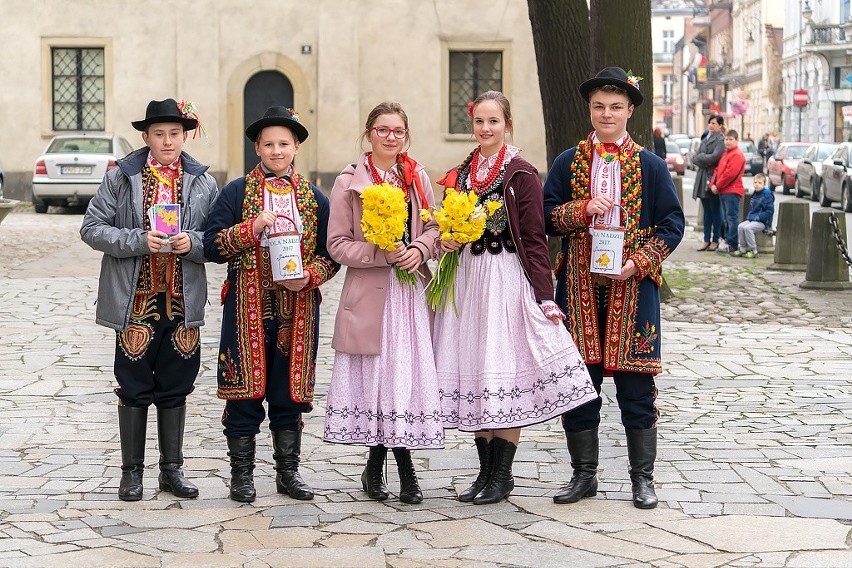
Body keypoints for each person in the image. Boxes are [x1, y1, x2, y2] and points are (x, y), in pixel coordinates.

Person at [434, 91, 597, 505]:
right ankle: (485, 473)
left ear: (507, 123)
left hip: (504, 277)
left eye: (493, 121)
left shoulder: (520, 173)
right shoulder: (465, 171)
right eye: (479, 122)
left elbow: (535, 240)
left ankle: (502, 476)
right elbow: (447, 219)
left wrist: (545, 296)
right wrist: (449, 237)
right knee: (476, 368)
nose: (485, 129)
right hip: (469, 278)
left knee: (500, 369)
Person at [542, 67, 685, 509]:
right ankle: (583, 476)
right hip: (579, 287)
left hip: (632, 289)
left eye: (616, 107)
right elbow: (546, 217)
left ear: (630, 112)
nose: (607, 114)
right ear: (590, 109)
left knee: (636, 388)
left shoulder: (650, 165)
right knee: (580, 387)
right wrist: (581, 209)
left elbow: (672, 225)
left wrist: (639, 263)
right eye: (600, 106)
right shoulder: (569, 161)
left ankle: (643, 479)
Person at [80, 98, 219, 501]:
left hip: (181, 300)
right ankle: (132, 472)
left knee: (177, 384)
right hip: (135, 299)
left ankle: (171, 471)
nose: (167, 140)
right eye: (159, 133)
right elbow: (92, 228)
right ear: (146, 137)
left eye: (174, 133)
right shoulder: (120, 177)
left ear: (185, 135)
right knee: (133, 384)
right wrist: (138, 241)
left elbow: (214, 240)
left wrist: (190, 242)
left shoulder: (203, 183)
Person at [203, 107, 339, 503]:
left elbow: (331, 255)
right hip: (247, 304)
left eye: (284, 143)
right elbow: (211, 245)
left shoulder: (315, 199)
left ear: (296, 146)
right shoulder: (235, 192)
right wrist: (250, 229)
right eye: (268, 144)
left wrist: (309, 276)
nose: (276, 151)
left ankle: (288, 472)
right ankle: (241, 475)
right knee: (243, 391)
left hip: (297, 309)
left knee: (289, 392)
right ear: (257, 148)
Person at [323, 102, 441, 505]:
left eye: (398, 131)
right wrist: (380, 253)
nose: (391, 137)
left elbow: (433, 226)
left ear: (405, 136)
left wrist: (420, 249)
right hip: (370, 293)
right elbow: (336, 244)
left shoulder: (416, 176)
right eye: (382, 130)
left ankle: (393, 470)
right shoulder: (347, 182)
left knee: (401, 379)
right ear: (369, 133)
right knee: (377, 380)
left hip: (408, 293)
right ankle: (386, 471)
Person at [691, 115, 725, 251]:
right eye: (709, 123)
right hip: (702, 177)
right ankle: (706, 239)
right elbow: (694, 158)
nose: (710, 125)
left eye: (713, 123)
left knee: (716, 211)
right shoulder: (705, 137)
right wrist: (704, 158)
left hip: (712, 178)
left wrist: (702, 158)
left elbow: (715, 157)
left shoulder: (721, 140)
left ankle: (715, 239)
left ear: (720, 125)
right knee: (706, 211)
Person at [709, 130, 746, 254]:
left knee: (731, 218)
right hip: (724, 191)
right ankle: (726, 240)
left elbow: (729, 175)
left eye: (731, 139)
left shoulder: (737, 155)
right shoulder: (726, 154)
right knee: (725, 218)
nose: (728, 142)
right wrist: (712, 184)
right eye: (726, 139)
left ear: (736, 140)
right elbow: (718, 170)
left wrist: (717, 186)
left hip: (732, 190)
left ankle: (732, 243)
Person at [733, 173, 773, 259]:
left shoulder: (767, 195)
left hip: (762, 221)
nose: (757, 185)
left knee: (748, 228)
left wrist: (759, 217)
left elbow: (769, 211)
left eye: (759, 183)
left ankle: (753, 250)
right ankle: (742, 248)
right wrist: (750, 217)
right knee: (740, 226)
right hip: (752, 219)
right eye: (755, 182)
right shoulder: (754, 194)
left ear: (764, 184)